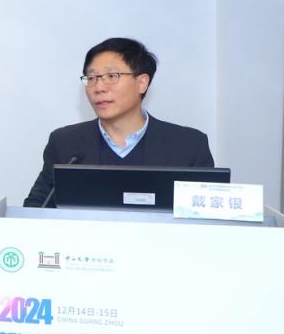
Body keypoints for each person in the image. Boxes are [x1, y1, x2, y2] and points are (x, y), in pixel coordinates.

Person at [23, 37, 213, 207]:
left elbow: (212, 218)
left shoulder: (189, 146)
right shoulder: (65, 143)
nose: (99, 87)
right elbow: (35, 210)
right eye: (92, 78)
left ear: (142, 83)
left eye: (111, 76)